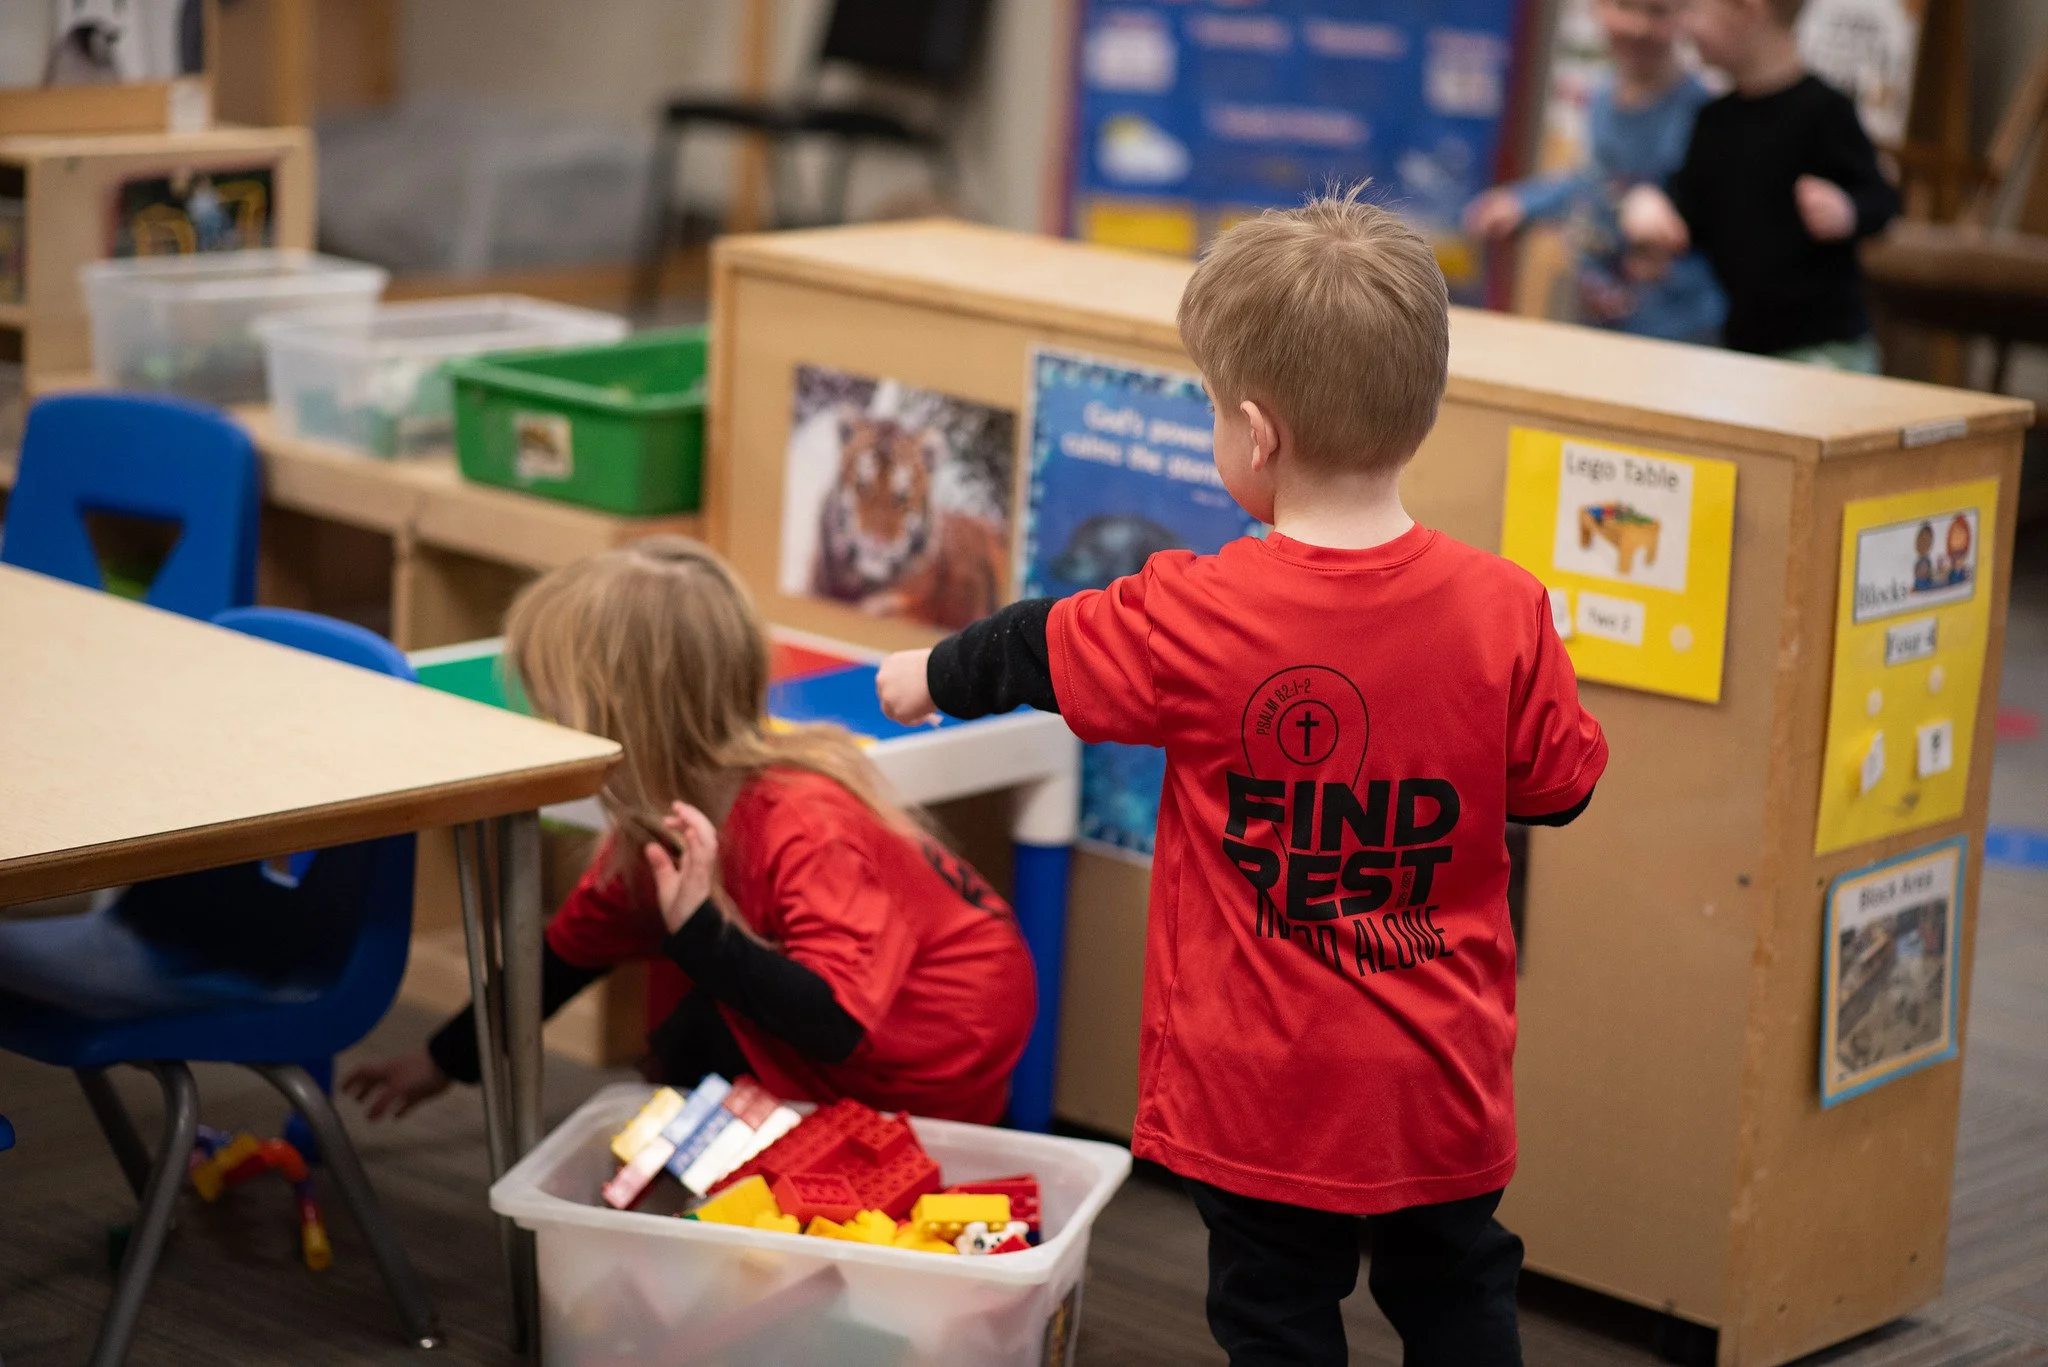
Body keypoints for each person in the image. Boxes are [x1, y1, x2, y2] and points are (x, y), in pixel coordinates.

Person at [876, 189, 1607, 1367]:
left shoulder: (1193, 609)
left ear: (1253, 435)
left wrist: (923, 673)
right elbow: (1558, 785)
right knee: (1459, 1289)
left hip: (1261, 1086)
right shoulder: (1502, 604)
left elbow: (1035, 643)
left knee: (1274, 1316)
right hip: (1438, 1070)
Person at [344, 537, 1035, 1127]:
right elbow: (559, 959)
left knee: (693, 1047)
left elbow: (837, 1022)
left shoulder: (805, 822)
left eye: (557, 705)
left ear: (628, 714)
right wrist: (438, 1061)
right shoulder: (657, 829)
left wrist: (701, 929)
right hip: (850, 1017)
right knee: (682, 1046)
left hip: (933, 1042)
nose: (547, 724)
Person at [1619, 0, 1900, 370]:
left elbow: (1882, 200)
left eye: (1694, 9)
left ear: (1748, 10)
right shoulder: (1713, 120)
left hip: (1823, 348)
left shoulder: (1824, 111)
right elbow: (1691, 210)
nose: (1682, 26)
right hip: (1744, 346)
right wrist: (1652, 210)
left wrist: (1848, 210)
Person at [1463, 0, 1724, 344]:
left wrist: (1661, 207)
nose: (1639, 27)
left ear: (1685, 15)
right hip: (1600, 321)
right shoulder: (1602, 96)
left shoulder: (1705, 114)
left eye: (1658, 12)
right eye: (1625, 7)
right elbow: (1594, 181)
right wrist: (1522, 202)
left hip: (1674, 332)